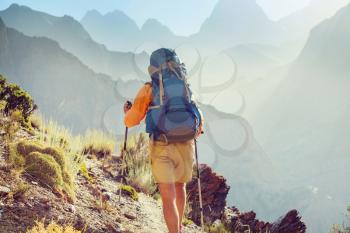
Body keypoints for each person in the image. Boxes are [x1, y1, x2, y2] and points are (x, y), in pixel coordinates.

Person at [123, 48, 203, 233]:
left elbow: (132, 120)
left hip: (161, 145)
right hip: (185, 143)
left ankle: (174, 230)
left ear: (153, 68)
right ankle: (179, 227)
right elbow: (198, 117)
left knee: (168, 196)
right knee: (180, 186)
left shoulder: (149, 89)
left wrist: (126, 113)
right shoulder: (186, 88)